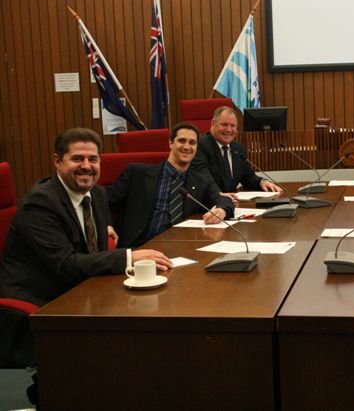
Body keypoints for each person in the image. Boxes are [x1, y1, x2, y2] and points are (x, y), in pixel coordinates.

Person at [0, 128, 173, 401]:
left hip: (81, 290)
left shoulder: (97, 195)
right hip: (42, 300)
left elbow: (86, 247)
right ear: (57, 161)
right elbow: (66, 265)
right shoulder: (41, 203)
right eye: (77, 158)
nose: (86, 166)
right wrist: (128, 256)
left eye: (93, 159)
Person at [107, 123, 235, 248]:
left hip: (181, 247)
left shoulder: (201, 180)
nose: (187, 146)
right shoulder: (137, 174)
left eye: (192, 142)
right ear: (170, 143)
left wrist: (222, 210)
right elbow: (103, 200)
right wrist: (107, 224)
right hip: (140, 246)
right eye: (181, 141)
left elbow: (223, 199)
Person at [191, 106, 283, 203]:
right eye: (224, 125)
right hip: (207, 206)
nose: (229, 130)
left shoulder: (238, 149)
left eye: (233, 126)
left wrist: (262, 182)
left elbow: (248, 177)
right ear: (213, 124)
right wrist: (218, 194)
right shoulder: (200, 146)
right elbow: (203, 179)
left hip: (232, 205)